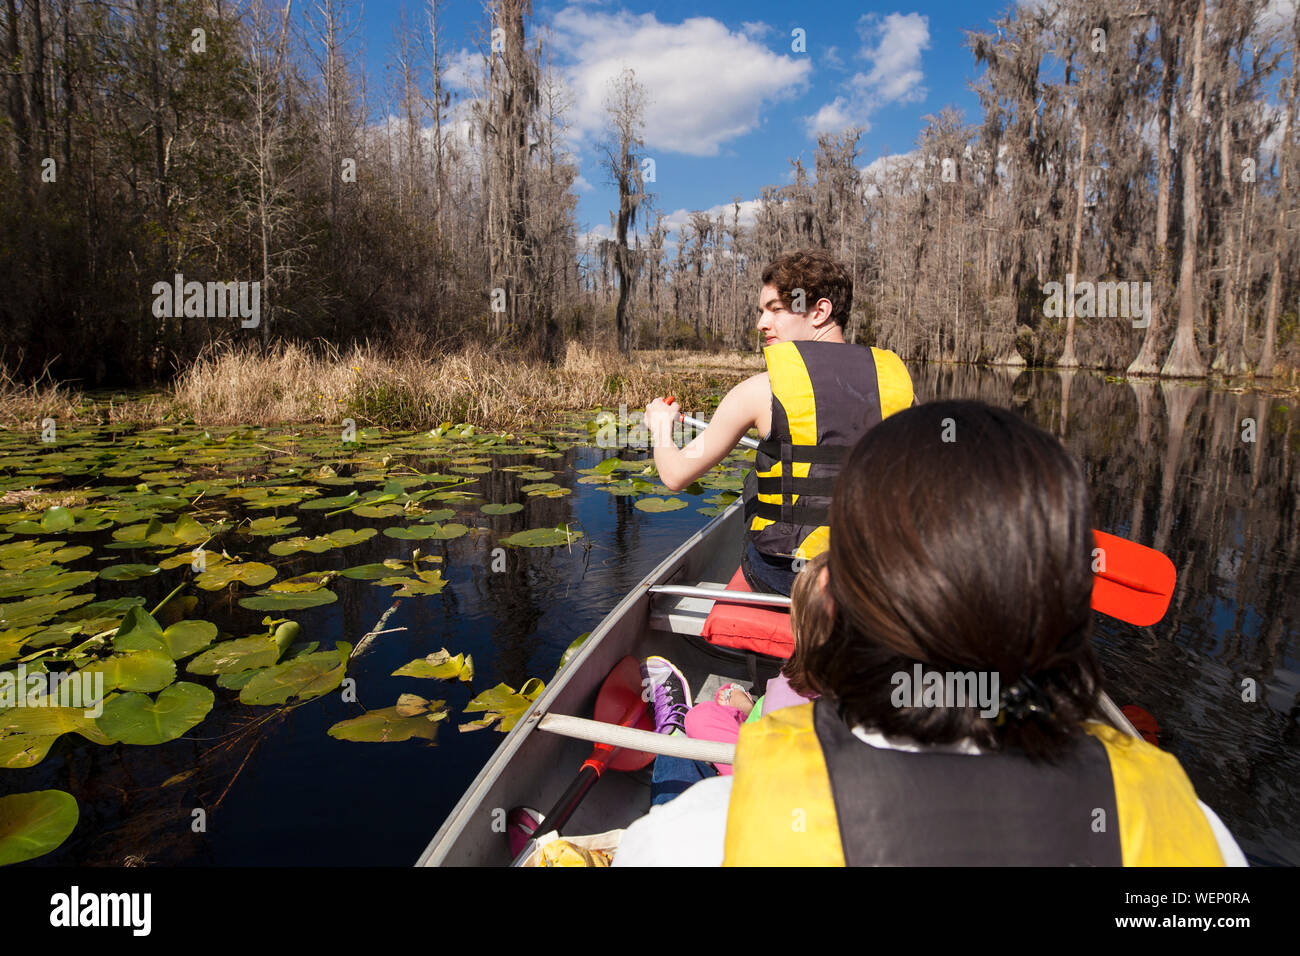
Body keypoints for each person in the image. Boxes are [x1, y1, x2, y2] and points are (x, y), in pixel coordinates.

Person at [614, 400, 1245, 866]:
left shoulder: (707, 834)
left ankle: (674, 731)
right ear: (1060, 605)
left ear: (848, 595)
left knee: (683, 761)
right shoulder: (1192, 831)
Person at [644, 249, 913, 596]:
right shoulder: (898, 384)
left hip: (786, 576)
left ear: (820, 311)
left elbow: (676, 474)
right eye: (761, 311)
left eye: (775, 309)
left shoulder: (760, 390)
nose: (761, 324)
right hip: (875, 573)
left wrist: (662, 426)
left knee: (757, 481)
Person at [681, 552, 828, 775]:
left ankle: (745, 715)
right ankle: (748, 712)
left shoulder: (788, 691)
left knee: (699, 718)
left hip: (774, 784)